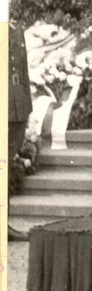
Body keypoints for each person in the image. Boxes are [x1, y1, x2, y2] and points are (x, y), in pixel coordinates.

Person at [8, 20, 32, 241]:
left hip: (17, 106)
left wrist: (26, 103)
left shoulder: (16, 28)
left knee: (5, 165)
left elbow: (23, 70)